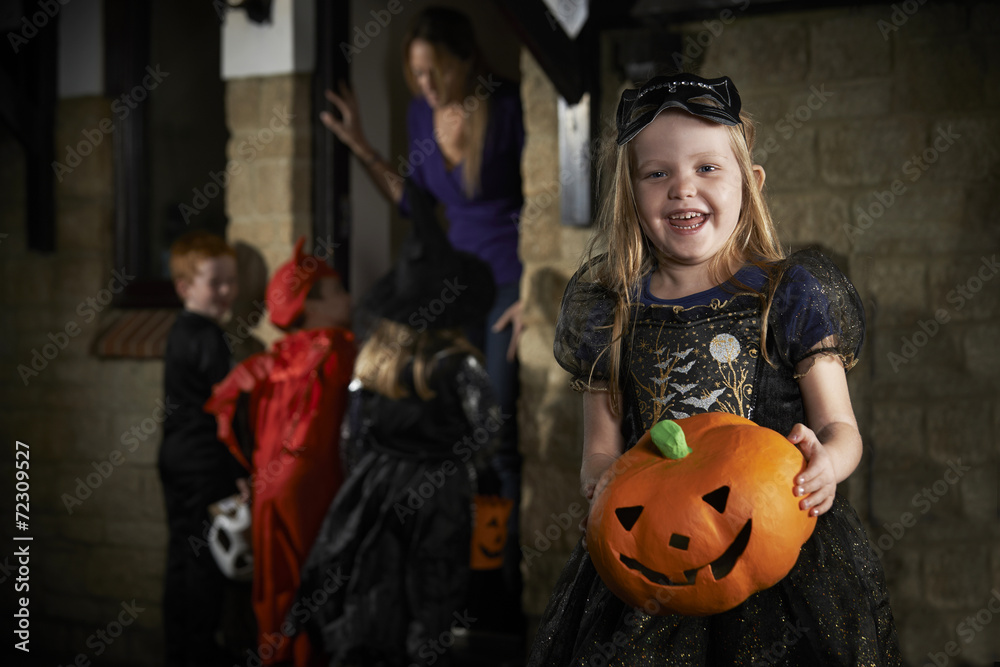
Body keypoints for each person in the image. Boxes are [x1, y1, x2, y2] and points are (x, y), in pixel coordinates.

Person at [527, 73, 902, 665]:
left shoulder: (787, 295)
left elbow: (841, 427)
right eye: (657, 174)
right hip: (653, 557)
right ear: (630, 192)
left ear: (749, 183)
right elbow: (600, 450)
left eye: (707, 168)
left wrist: (828, 463)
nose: (683, 188)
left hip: (778, 550)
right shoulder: (610, 311)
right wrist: (600, 485)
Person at [320, 6, 525, 630]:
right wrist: (360, 146)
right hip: (449, 290)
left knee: (498, 436)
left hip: (506, 285)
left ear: (466, 59)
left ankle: (504, 593)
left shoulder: (508, 107)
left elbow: (548, 197)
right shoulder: (419, 114)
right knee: (449, 433)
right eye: (417, 74)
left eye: (436, 70)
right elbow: (416, 202)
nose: (427, 85)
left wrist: (538, 290)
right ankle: (452, 587)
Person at [290, 184, 505, 667]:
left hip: (379, 484)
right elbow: (488, 432)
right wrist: (468, 474)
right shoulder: (461, 366)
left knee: (377, 578)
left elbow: (352, 436)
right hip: (441, 490)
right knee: (433, 582)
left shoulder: (371, 365)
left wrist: (363, 480)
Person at [205, 238, 356, 667]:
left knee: (276, 589)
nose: (349, 298)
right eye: (337, 290)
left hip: (269, 491)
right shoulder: (337, 350)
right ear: (309, 305)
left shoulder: (275, 359)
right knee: (317, 587)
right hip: (311, 492)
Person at [159, 230, 247, 667]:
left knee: (183, 552)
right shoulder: (208, 337)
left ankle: (183, 648)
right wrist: (239, 470)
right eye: (215, 282)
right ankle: (199, 651)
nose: (226, 291)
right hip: (202, 463)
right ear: (184, 287)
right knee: (204, 559)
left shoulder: (182, 331)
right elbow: (224, 410)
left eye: (232, 281)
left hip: (177, 457)